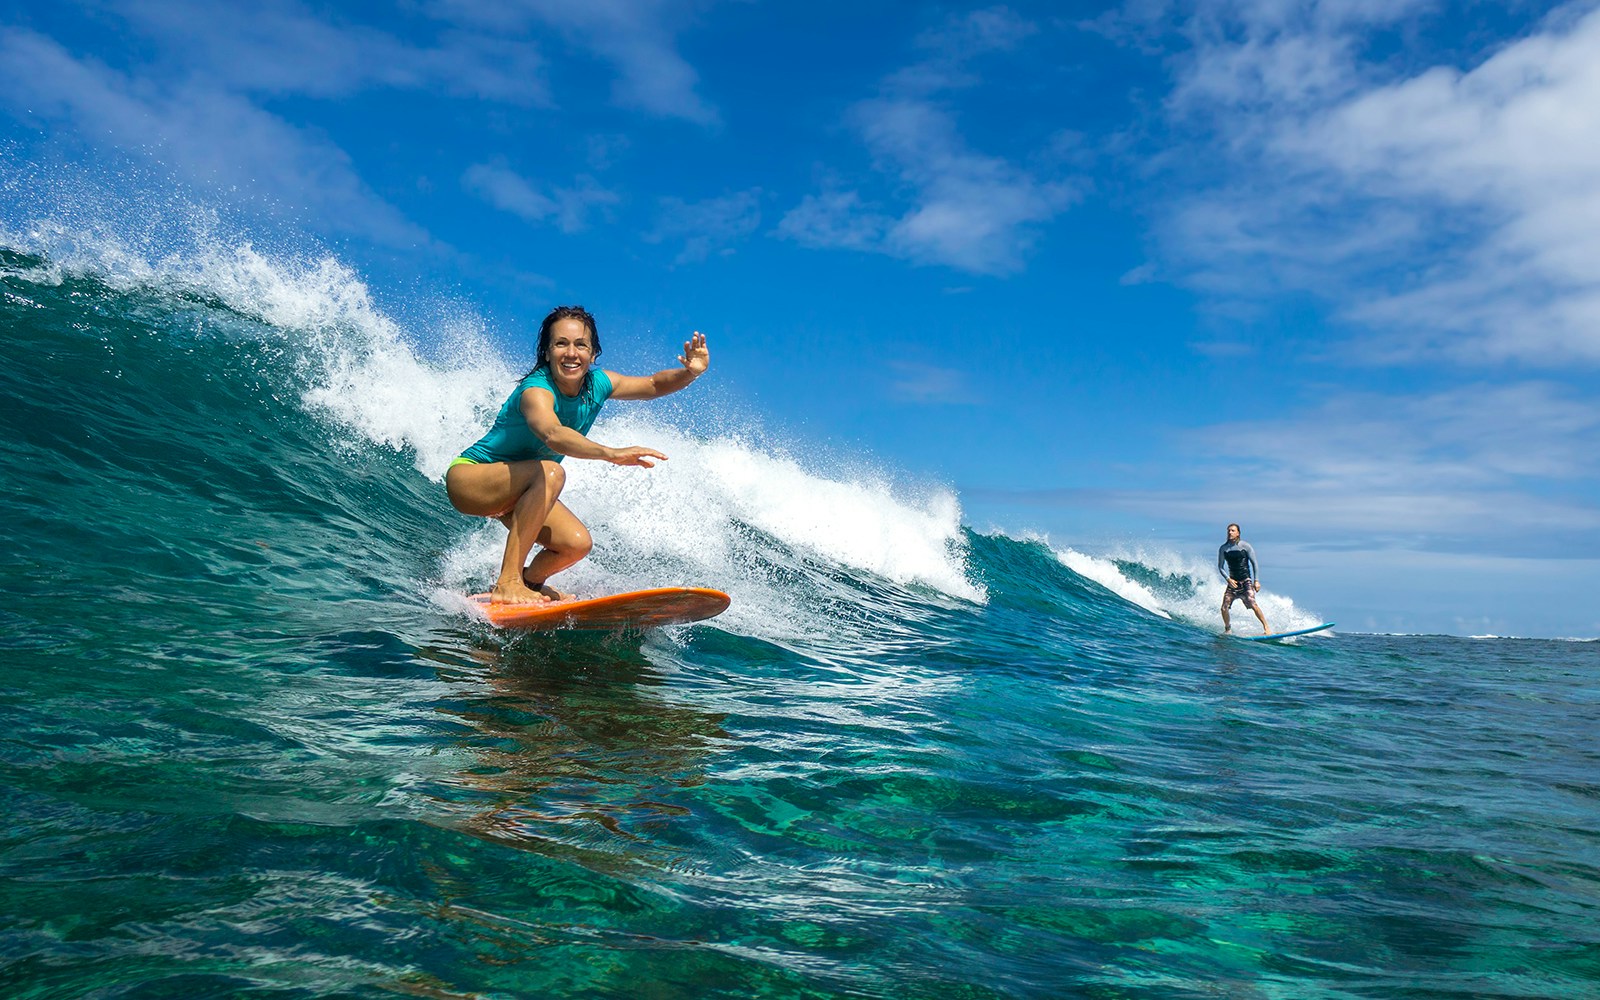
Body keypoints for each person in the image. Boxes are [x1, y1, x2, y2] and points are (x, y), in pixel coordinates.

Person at [445, 304, 709, 605]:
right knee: (551, 472)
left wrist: (689, 373)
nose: (571, 353)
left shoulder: (599, 384)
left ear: (593, 354)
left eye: (581, 345)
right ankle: (508, 583)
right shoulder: (536, 390)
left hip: (517, 490)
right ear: (547, 352)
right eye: (561, 343)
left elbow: (652, 385)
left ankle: (529, 583)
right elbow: (552, 434)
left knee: (575, 544)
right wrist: (610, 453)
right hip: (470, 479)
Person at [1218, 522, 1271, 635]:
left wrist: (1256, 581)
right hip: (1233, 583)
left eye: (1233, 530)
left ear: (1238, 533)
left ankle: (1266, 627)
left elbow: (1254, 563)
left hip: (1246, 581)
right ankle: (1227, 629)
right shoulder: (1223, 548)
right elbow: (1220, 567)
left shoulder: (1245, 546)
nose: (1230, 532)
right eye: (1228, 530)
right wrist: (1228, 579)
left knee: (1253, 604)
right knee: (1224, 607)